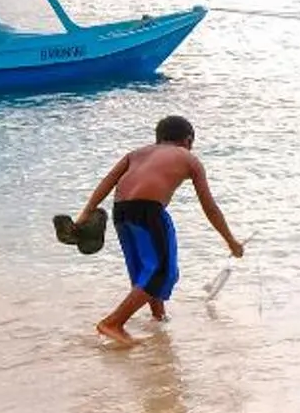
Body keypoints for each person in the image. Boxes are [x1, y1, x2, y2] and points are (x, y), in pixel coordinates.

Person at [73, 114, 243, 344]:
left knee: (146, 268)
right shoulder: (189, 159)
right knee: (163, 272)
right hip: (149, 212)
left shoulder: (136, 154)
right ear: (188, 140)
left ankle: (158, 317)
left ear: (158, 138)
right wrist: (231, 241)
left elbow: (108, 181)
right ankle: (113, 323)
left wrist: (86, 213)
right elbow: (210, 207)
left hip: (120, 211)